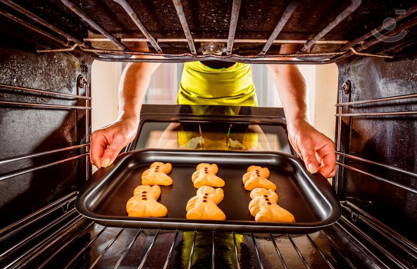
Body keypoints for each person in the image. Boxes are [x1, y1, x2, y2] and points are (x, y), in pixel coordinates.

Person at [90, 45, 336, 178]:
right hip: (189, 107)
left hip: (243, 108)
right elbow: (143, 57)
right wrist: (127, 117)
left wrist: (299, 121)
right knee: (185, 180)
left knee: (242, 179)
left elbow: (283, 62)